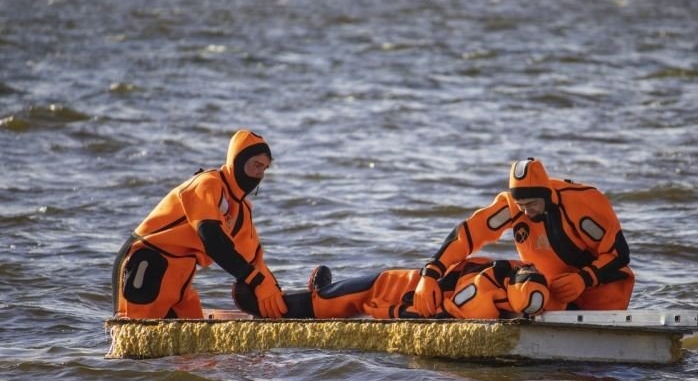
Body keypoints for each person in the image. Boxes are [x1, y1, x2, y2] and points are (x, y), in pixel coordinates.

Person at [413, 158, 634, 316]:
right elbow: (469, 234)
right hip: (552, 292)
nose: (526, 212)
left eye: (532, 205)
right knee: (479, 270)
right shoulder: (512, 207)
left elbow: (619, 254)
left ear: (546, 194)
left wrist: (585, 278)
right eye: (521, 206)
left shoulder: (584, 203)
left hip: (602, 293)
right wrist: (431, 273)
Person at [112, 129, 288, 319]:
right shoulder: (208, 184)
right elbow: (211, 238)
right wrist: (253, 279)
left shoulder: (242, 210)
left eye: (264, 168)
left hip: (180, 279)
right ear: (237, 160)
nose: (260, 174)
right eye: (256, 165)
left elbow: (254, 261)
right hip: (146, 264)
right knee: (136, 343)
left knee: (193, 347)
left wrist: (274, 293)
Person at [234, 257, 550, 320]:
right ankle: (319, 286)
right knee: (331, 299)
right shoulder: (500, 275)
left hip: (395, 286)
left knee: (331, 299)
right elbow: (435, 310)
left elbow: (435, 313)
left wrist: (393, 311)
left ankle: (317, 286)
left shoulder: (501, 272)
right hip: (398, 285)